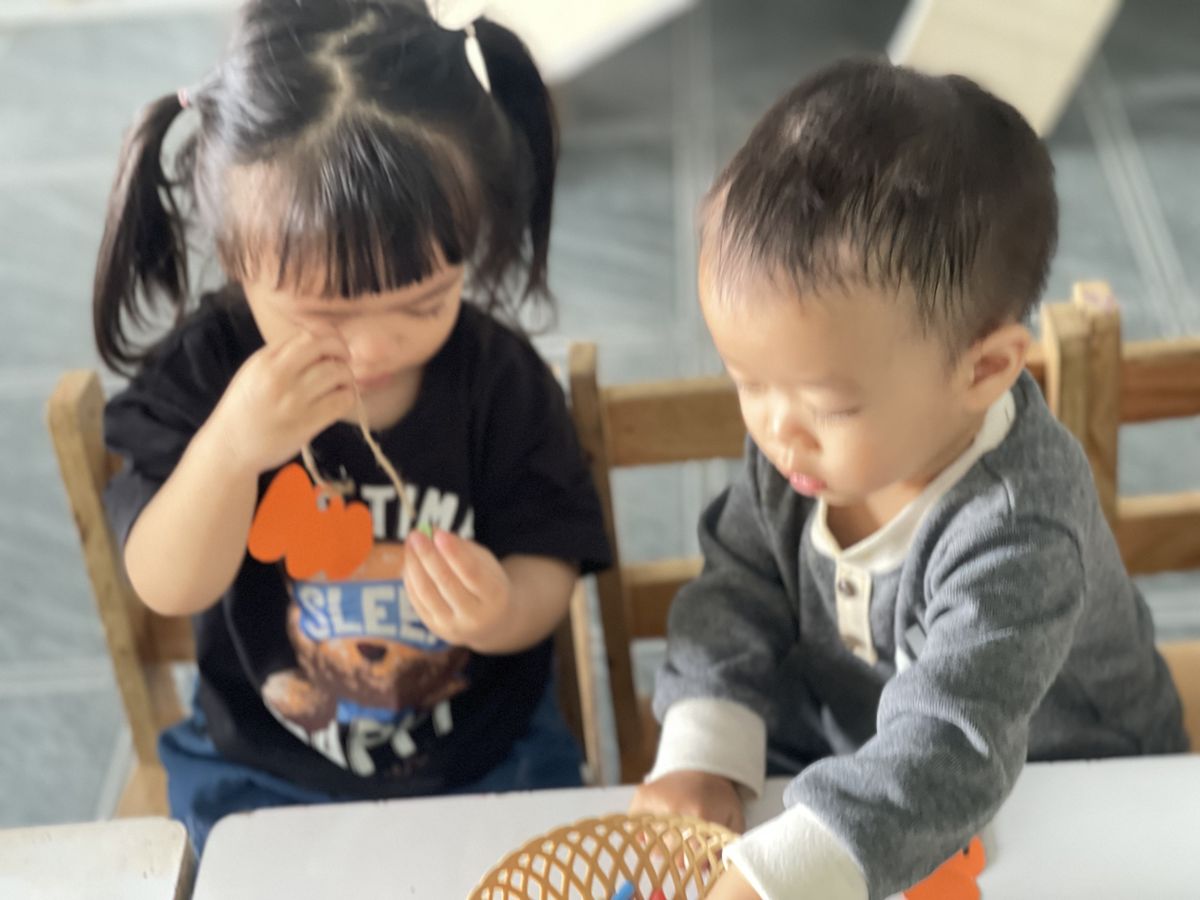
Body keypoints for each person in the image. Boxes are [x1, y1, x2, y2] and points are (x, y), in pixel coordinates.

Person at [631, 58, 1187, 899]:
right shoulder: (800, 450)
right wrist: (705, 746)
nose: (776, 428)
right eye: (748, 382)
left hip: (1068, 783)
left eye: (826, 403)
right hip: (868, 779)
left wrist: (780, 876)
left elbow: (952, 744)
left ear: (984, 370)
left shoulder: (1019, 523)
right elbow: (739, 584)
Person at [94, 0, 609, 854]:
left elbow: (550, 562)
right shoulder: (201, 379)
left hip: (490, 756)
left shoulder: (498, 380)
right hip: (262, 767)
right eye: (323, 316)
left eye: (424, 304)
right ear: (238, 260)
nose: (372, 349)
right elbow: (167, 583)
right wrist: (230, 451)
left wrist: (502, 608)